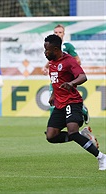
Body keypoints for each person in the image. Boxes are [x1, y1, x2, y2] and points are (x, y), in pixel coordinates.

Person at [43, 34, 105, 171]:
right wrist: (53, 94)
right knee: (51, 136)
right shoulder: (52, 63)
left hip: (72, 102)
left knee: (72, 132)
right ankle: (82, 136)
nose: (45, 53)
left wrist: (71, 83)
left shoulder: (69, 61)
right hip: (59, 104)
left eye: (47, 50)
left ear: (55, 49)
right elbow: (56, 82)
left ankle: (101, 157)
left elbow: (83, 76)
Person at [42, 24, 90, 125]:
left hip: (66, 80)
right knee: (54, 104)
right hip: (56, 81)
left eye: (60, 32)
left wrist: (69, 71)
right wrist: (45, 67)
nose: (58, 34)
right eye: (56, 32)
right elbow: (53, 61)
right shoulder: (50, 47)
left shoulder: (67, 47)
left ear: (64, 34)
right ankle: (54, 126)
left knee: (68, 101)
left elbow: (76, 61)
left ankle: (82, 111)